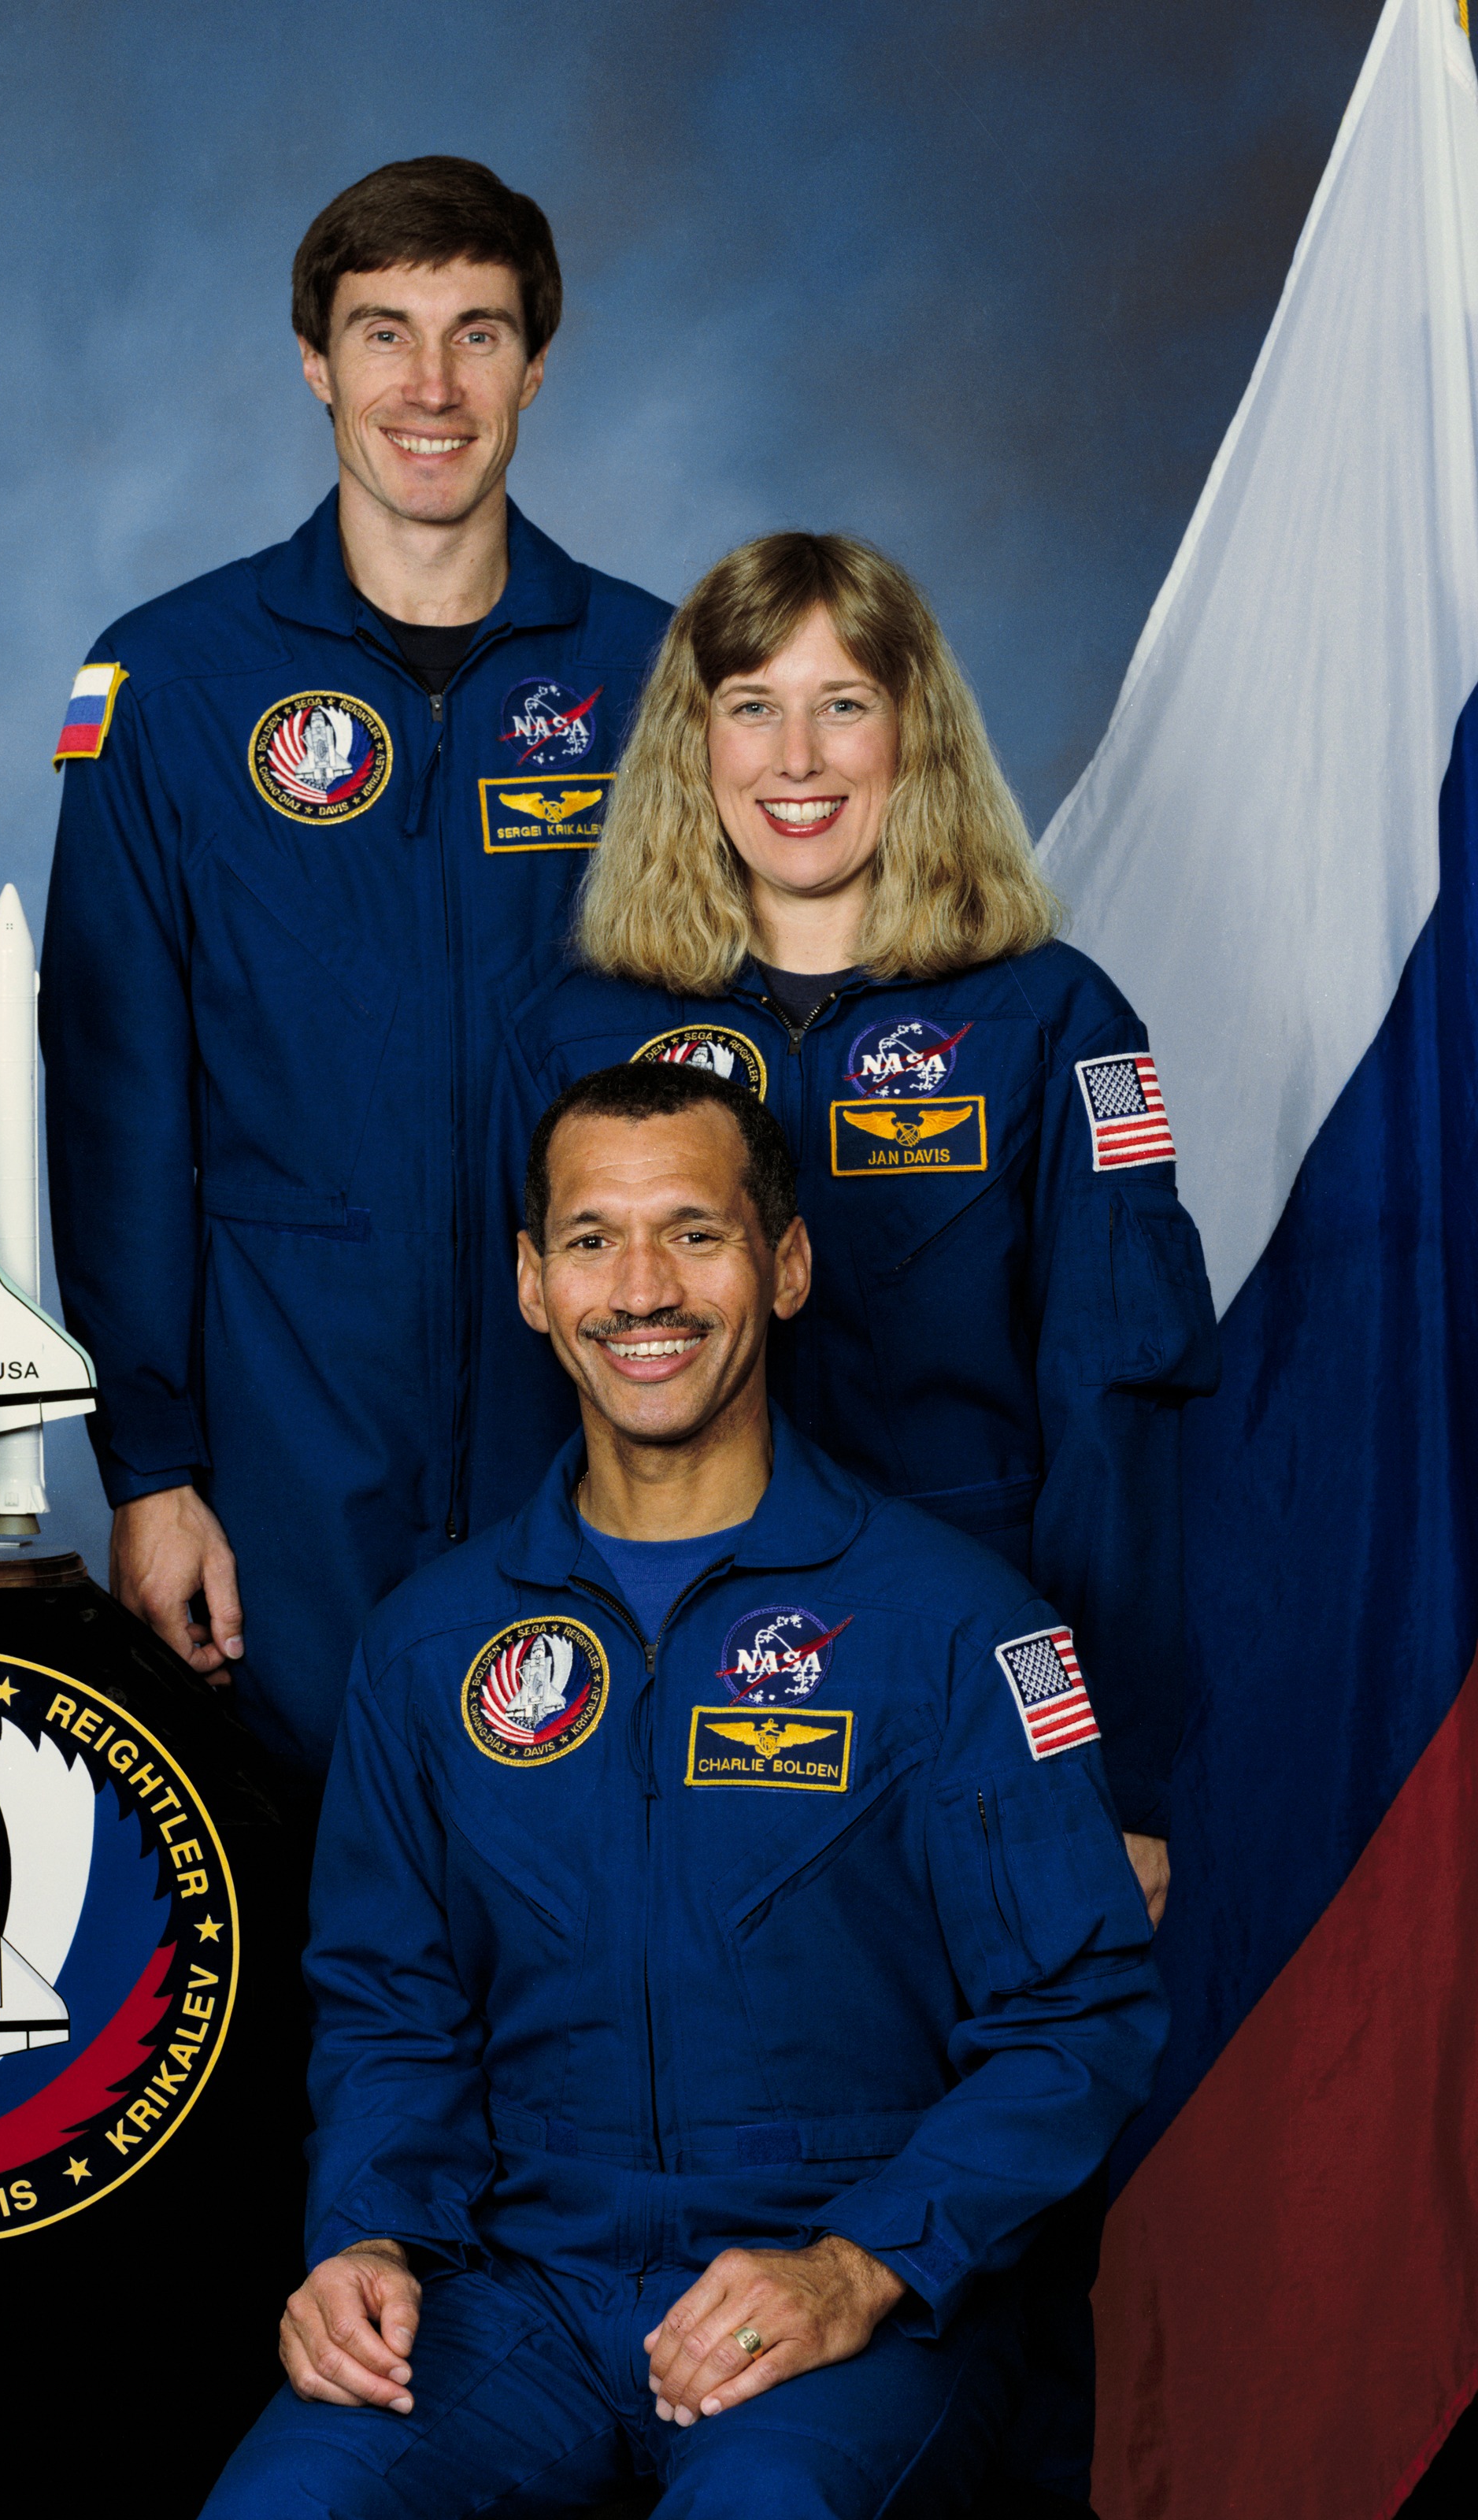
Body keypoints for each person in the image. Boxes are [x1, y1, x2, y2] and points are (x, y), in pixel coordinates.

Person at [476, 535, 1221, 2511]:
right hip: (680, 1700)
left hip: (978, 1722)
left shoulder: (1053, 1020)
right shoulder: (581, 1031)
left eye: (841, 704)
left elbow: (1123, 1406)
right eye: (746, 705)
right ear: (689, 742)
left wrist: (1117, 1769)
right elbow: (518, 1403)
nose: (794, 756)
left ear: (914, 737)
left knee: (997, 2213)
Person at [202, 1061, 1163, 2516]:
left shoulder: (962, 1627)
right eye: (592, 1239)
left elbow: (1078, 2013)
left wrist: (864, 2266)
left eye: (695, 1234)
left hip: (848, 2289)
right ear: (533, 1283)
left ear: (784, 1266)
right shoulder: (431, 1642)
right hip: (522, 2293)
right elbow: (392, 2004)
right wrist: (370, 2242)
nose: (640, 1289)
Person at [41, 155, 672, 1772]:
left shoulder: (660, 675)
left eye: (475, 332)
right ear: (315, 364)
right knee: (315, 1907)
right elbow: (115, 1104)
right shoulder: (168, 682)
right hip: (282, 1426)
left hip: (603, 1391)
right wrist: (148, 1465)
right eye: (383, 333)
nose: (431, 385)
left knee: (589, 1892)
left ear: (535, 363)